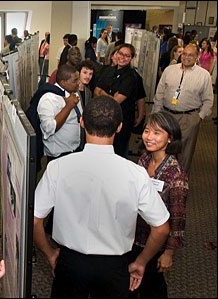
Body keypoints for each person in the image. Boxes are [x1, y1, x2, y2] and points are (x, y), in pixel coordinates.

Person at [33, 95, 170, 298]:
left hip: (71, 264)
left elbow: (34, 220)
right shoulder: (136, 173)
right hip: (115, 266)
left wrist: (50, 253)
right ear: (119, 127)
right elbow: (161, 229)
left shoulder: (57, 167)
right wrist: (140, 262)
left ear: (82, 122)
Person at [128, 111, 188, 298]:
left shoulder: (176, 175)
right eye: (147, 131)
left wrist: (169, 253)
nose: (149, 137)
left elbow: (178, 218)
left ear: (170, 138)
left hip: (156, 243)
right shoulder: (144, 160)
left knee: (152, 288)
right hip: (134, 236)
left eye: (157, 133)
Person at [152, 43, 214, 173]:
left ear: (197, 57)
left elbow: (208, 100)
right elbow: (160, 94)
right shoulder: (170, 70)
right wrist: (156, 114)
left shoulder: (204, 75)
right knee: (163, 149)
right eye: (184, 53)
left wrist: (199, 117)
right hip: (166, 115)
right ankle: (160, 180)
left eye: (191, 55)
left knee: (184, 153)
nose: (186, 57)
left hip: (189, 118)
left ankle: (180, 185)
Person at [94, 43, 142, 159]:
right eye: (121, 54)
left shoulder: (131, 77)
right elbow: (96, 91)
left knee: (119, 153)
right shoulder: (108, 71)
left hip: (122, 120)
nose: (122, 57)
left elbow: (115, 102)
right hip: (104, 118)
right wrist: (109, 95)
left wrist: (103, 93)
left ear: (131, 58)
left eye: (127, 56)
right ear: (116, 54)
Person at [38, 64, 83, 163]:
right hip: (59, 155)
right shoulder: (49, 99)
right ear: (63, 82)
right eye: (74, 81)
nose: (78, 83)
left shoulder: (74, 93)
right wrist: (69, 106)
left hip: (75, 151)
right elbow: (49, 128)